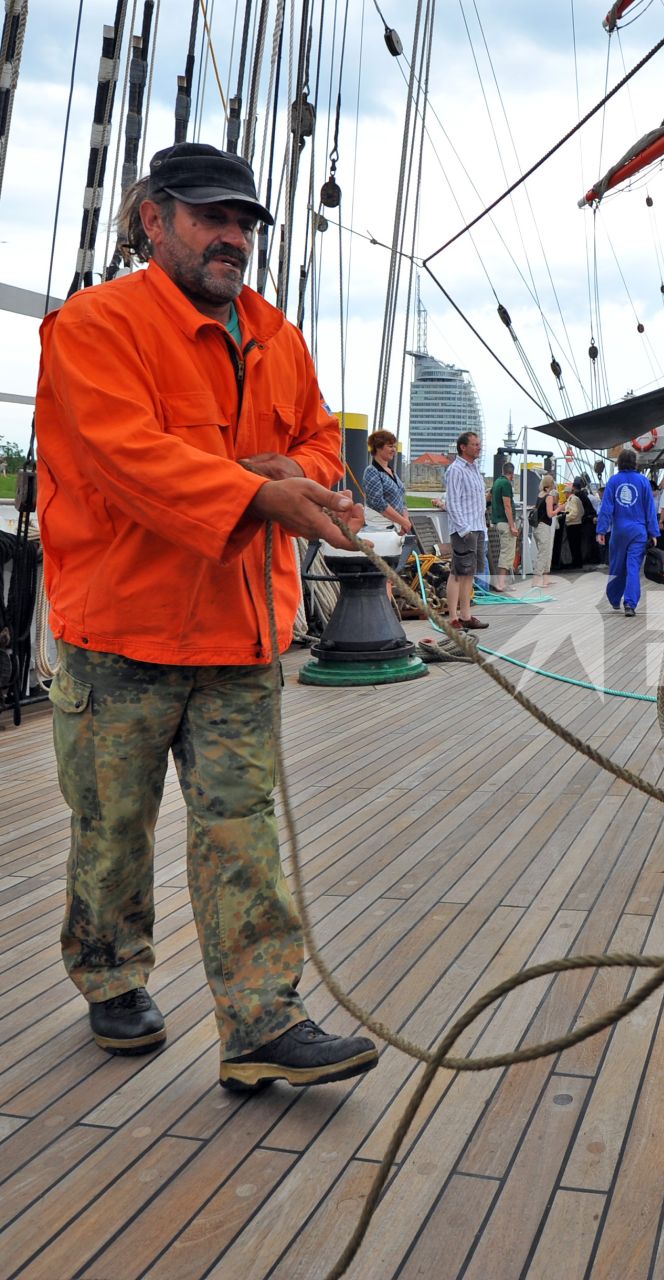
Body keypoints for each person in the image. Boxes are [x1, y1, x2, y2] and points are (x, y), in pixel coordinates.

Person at [35, 142, 379, 1090]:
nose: (234, 237)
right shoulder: (93, 328)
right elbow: (126, 458)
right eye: (212, 217)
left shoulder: (278, 334)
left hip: (239, 635)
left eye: (246, 222)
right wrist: (255, 492)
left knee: (243, 826)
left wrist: (295, 474)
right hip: (122, 636)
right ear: (155, 219)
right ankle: (109, 975)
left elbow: (318, 443)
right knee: (112, 826)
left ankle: (262, 1022)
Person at [432, 430, 488, 630]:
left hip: (478, 527)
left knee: (469, 574)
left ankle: (466, 615)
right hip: (465, 530)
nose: (479, 447)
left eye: (478, 444)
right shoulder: (456, 470)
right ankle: (453, 618)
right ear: (463, 447)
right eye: (474, 444)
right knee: (457, 573)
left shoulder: (474, 469)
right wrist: (465, 530)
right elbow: (453, 502)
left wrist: (481, 530)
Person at [597, 448, 659, 616]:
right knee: (633, 567)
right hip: (638, 532)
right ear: (635, 463)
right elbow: (650, 509)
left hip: (619, 532)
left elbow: (606, 507)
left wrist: (601, 530)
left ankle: (614, 598)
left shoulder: (613, 481)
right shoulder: (643, 481)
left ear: (619, 463)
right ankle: (630, 604)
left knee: (617, 565)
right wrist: (653, 533)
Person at [360, 430, 412, 536]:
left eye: (394, 446)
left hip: (397, 528)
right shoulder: (372, 471)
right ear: (378, 447)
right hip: (380, 529)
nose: (394, 450)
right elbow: (379, 503)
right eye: (390, 446)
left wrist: (405, 522)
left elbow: (402, 501)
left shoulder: (391, 472)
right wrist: (403, 522)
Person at [489, 460, 519, 590]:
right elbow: (507, 505)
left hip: (497, 522)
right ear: (511, 474)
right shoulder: (506, 484)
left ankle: (503, 582)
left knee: (505, 552)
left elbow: (488, 498)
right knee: (507, 553)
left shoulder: (496, 483)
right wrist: (512, 526)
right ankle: (501, 583)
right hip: (505, 523)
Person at [531, 479, 559, 586]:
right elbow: (550, 514)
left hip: (537, 527)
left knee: (545, 552)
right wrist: (559, 508)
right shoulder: (549, 497)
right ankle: (536, 581)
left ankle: (546, 579)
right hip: (544, 527)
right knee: (543, 553)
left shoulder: (540, 495)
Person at [559, 478, 585, 570]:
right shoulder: (575, 499)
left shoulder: (572, 500)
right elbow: (581, 512)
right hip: (577, 524)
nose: (564, 495)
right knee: (576, 545)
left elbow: (574, 512)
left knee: (574, 545)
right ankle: (577, 562)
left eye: (565, 493)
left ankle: (576, 563)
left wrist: (565, 519)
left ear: (568, 493)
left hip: (573, 525)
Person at [573, 474, 598, 570]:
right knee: (589, 540)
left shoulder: (578, 496)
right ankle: (590, 558)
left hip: (585, 521)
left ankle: (585, 558)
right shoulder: (585, 496)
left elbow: (579, 510)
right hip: (590, 519)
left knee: (585, 541)